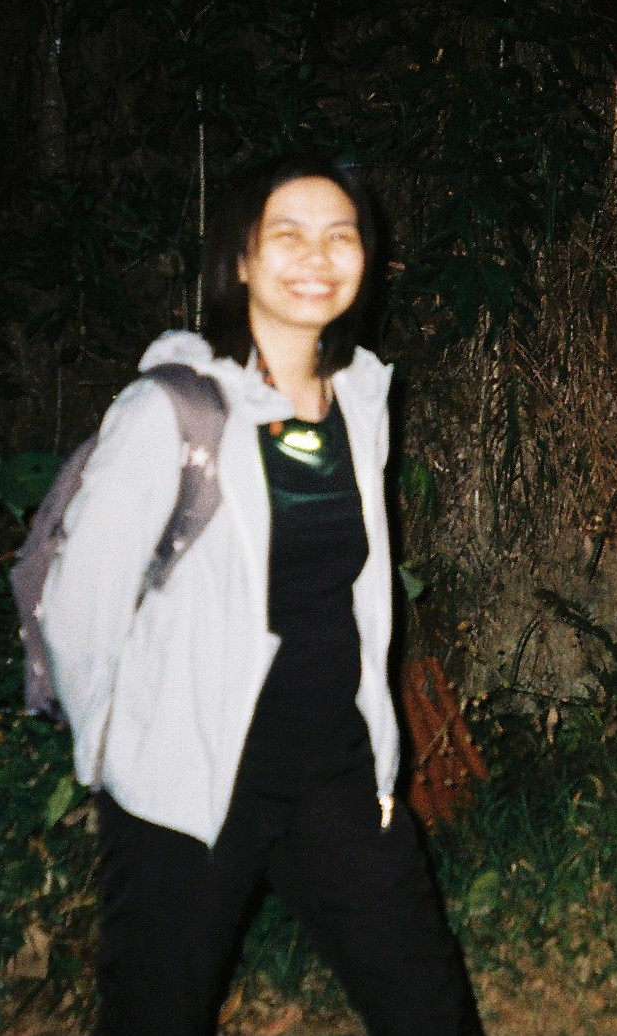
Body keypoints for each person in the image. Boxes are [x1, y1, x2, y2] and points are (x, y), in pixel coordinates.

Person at [40, 154, 482, 1036]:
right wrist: (121, 762)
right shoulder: (172, 410)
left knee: (427, 1006)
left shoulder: (358, 398)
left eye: (340, 236)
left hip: (333, 768)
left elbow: (358, 593)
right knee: (155, 1016)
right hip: (191, 775)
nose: (317, 256)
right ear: (239, 259)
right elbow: (79, 610)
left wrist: (376, 740)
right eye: (288, 234)